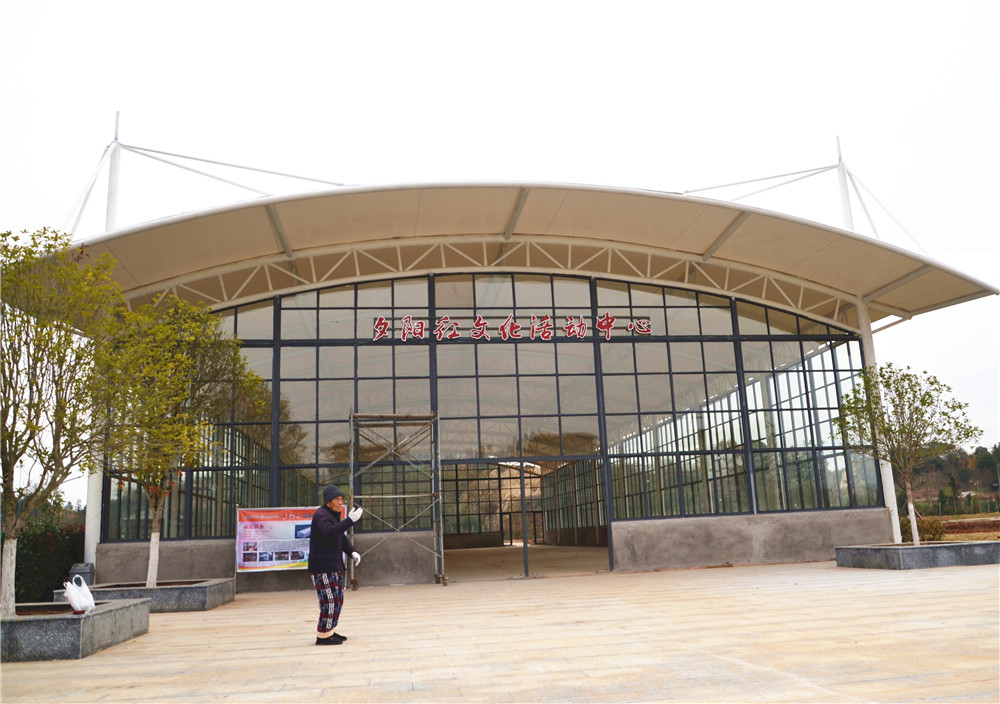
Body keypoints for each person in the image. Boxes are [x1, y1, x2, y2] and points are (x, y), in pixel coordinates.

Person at [308, 484, 363, 646]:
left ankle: (330, 630)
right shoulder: (322, 515)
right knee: (329, 601)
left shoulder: (332, 515)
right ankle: (323, 635)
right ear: (328, 501)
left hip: (334, 566)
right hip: (323, 567)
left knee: (338, 599)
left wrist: (352, 552)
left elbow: (340, 536)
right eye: (337, 499)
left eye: (341, 499)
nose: (340, 503)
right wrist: (350, 521)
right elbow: (330, 532)